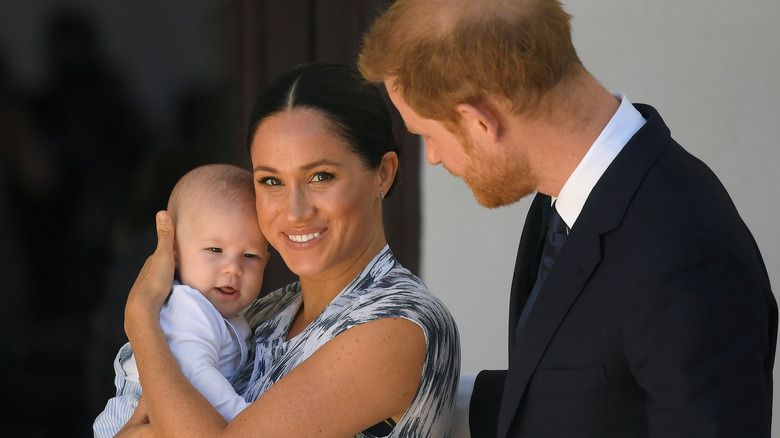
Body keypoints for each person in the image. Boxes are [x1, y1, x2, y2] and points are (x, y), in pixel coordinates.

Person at [358, 1, 777, 437]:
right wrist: (416, 391)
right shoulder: (570, 196)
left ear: (480, 122)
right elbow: (589, 393)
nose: (434, 157)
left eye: (428, 135)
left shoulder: (684, 250)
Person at [118, 62, 460, 437]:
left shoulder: (399, 324)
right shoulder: (265, 313)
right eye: (271, 181)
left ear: (384, 173)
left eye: (320, 176)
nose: (295, 212)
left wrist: (141, 319)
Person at [94, 163, 270, 436]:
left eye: (250, 256)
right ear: (173, 252)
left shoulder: (223, 314)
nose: (233, 268)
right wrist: (244, 420)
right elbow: (196, 374)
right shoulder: (188, 307)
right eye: (215, 249)